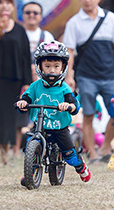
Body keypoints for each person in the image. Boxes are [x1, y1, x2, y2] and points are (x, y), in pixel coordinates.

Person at [64, 0, 114, 163]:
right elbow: (70, 53)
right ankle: (93, 154)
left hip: (110, 75)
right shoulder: (74, 23)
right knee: (88, 115)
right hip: (86, 76)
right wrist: (69, 76)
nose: (88, 0)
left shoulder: (110, 18)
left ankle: (105, 147)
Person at [16, 40, 91, 183]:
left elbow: (73, 103)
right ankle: (30, 174)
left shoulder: (64, 88)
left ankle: (81, 167)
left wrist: (69, 106)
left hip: (59, 128)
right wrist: (23, 102)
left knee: (70, 157)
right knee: (30, 144)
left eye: (56, 66)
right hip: (40, 126)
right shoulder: (35, 86)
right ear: (40, 67)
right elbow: (26, 97)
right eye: (47, 66)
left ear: (63, 67)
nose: (52, 70)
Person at [0, 0, 32, 166]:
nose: (4, 6)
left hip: (14, 79)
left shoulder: (20, 30)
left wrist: (27, 82)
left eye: (8, 2)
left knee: (10, 118)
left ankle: (7, 155)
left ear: (13, 6)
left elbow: (26, 57)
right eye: (1, 2)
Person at [22, 1, 55, 82]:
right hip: (20, 81)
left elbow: (53, 59)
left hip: (42, 81)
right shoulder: (16, 35)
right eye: (28, 12)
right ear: (23, 15)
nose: (31, 15)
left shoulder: (48, 37)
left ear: (41, 16)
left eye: (35, 13)